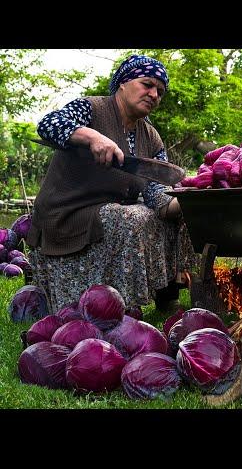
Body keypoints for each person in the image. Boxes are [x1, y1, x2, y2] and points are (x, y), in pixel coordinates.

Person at [26, 54, 196, 316]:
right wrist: (91, 136)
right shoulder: (91, 108)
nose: (154, 94)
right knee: (132, 217)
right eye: (147, 84)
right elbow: (48, 125)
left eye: (160, 91)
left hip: (107, 211)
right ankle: (119, 307)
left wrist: (189, 203)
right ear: (123, 83)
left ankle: (168, 293)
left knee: (179, 214)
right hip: (67, 214)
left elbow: (157, 193)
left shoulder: (151, 137)